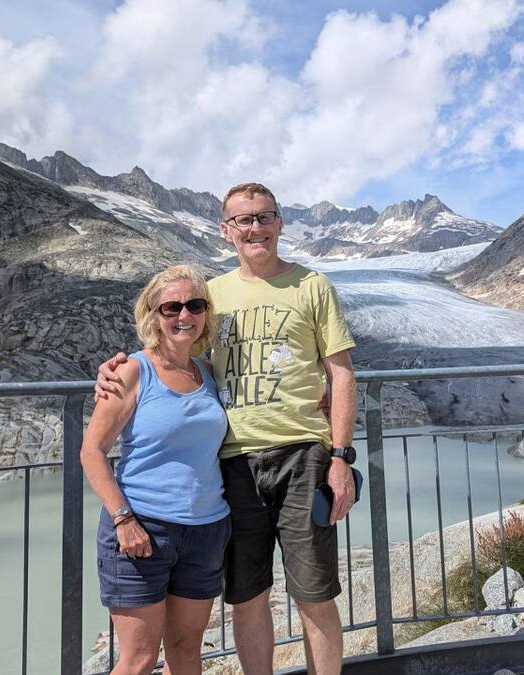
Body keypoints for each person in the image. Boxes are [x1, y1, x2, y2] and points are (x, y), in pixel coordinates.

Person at [98, 183, 359, 675]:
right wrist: (117, 367)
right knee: (247, 595)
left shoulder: (312, 285)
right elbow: (173, 353)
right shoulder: (209, 297)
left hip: (303, 453)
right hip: (232, 463)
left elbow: (341, 373)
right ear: (226, 230)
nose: (255, 227)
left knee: (314, 593)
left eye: (264, 216)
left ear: (280, 222)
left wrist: (341, 457)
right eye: (243, 219)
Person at [81, 264, 231, 675]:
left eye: (195, 305)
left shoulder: (207, 372)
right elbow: (92, 451)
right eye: (171, 307)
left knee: (186, 652)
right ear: (153, 315)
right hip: (142, 529)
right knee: (139, 659)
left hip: (205, 530)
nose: (184, 315)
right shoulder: (131, 370)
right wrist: (123, 519)